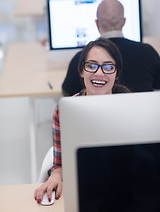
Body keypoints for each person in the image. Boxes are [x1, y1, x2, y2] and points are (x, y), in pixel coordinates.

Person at [34, 37, 130, 204]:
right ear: (81, 70)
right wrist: (55, 175)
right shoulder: (65, 110)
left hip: (127, 188)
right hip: (84, 191)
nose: (99, 73)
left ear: (117, 73)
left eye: (108, 67)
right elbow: (59, 163)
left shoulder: (131, 107)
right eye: (91, 65)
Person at [62, 0, 160, 96]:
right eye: (92, 66)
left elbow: (67, 92)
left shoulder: (83, 57)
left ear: (97, 23)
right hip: (141, 110)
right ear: (124, 21)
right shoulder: (148, 52)